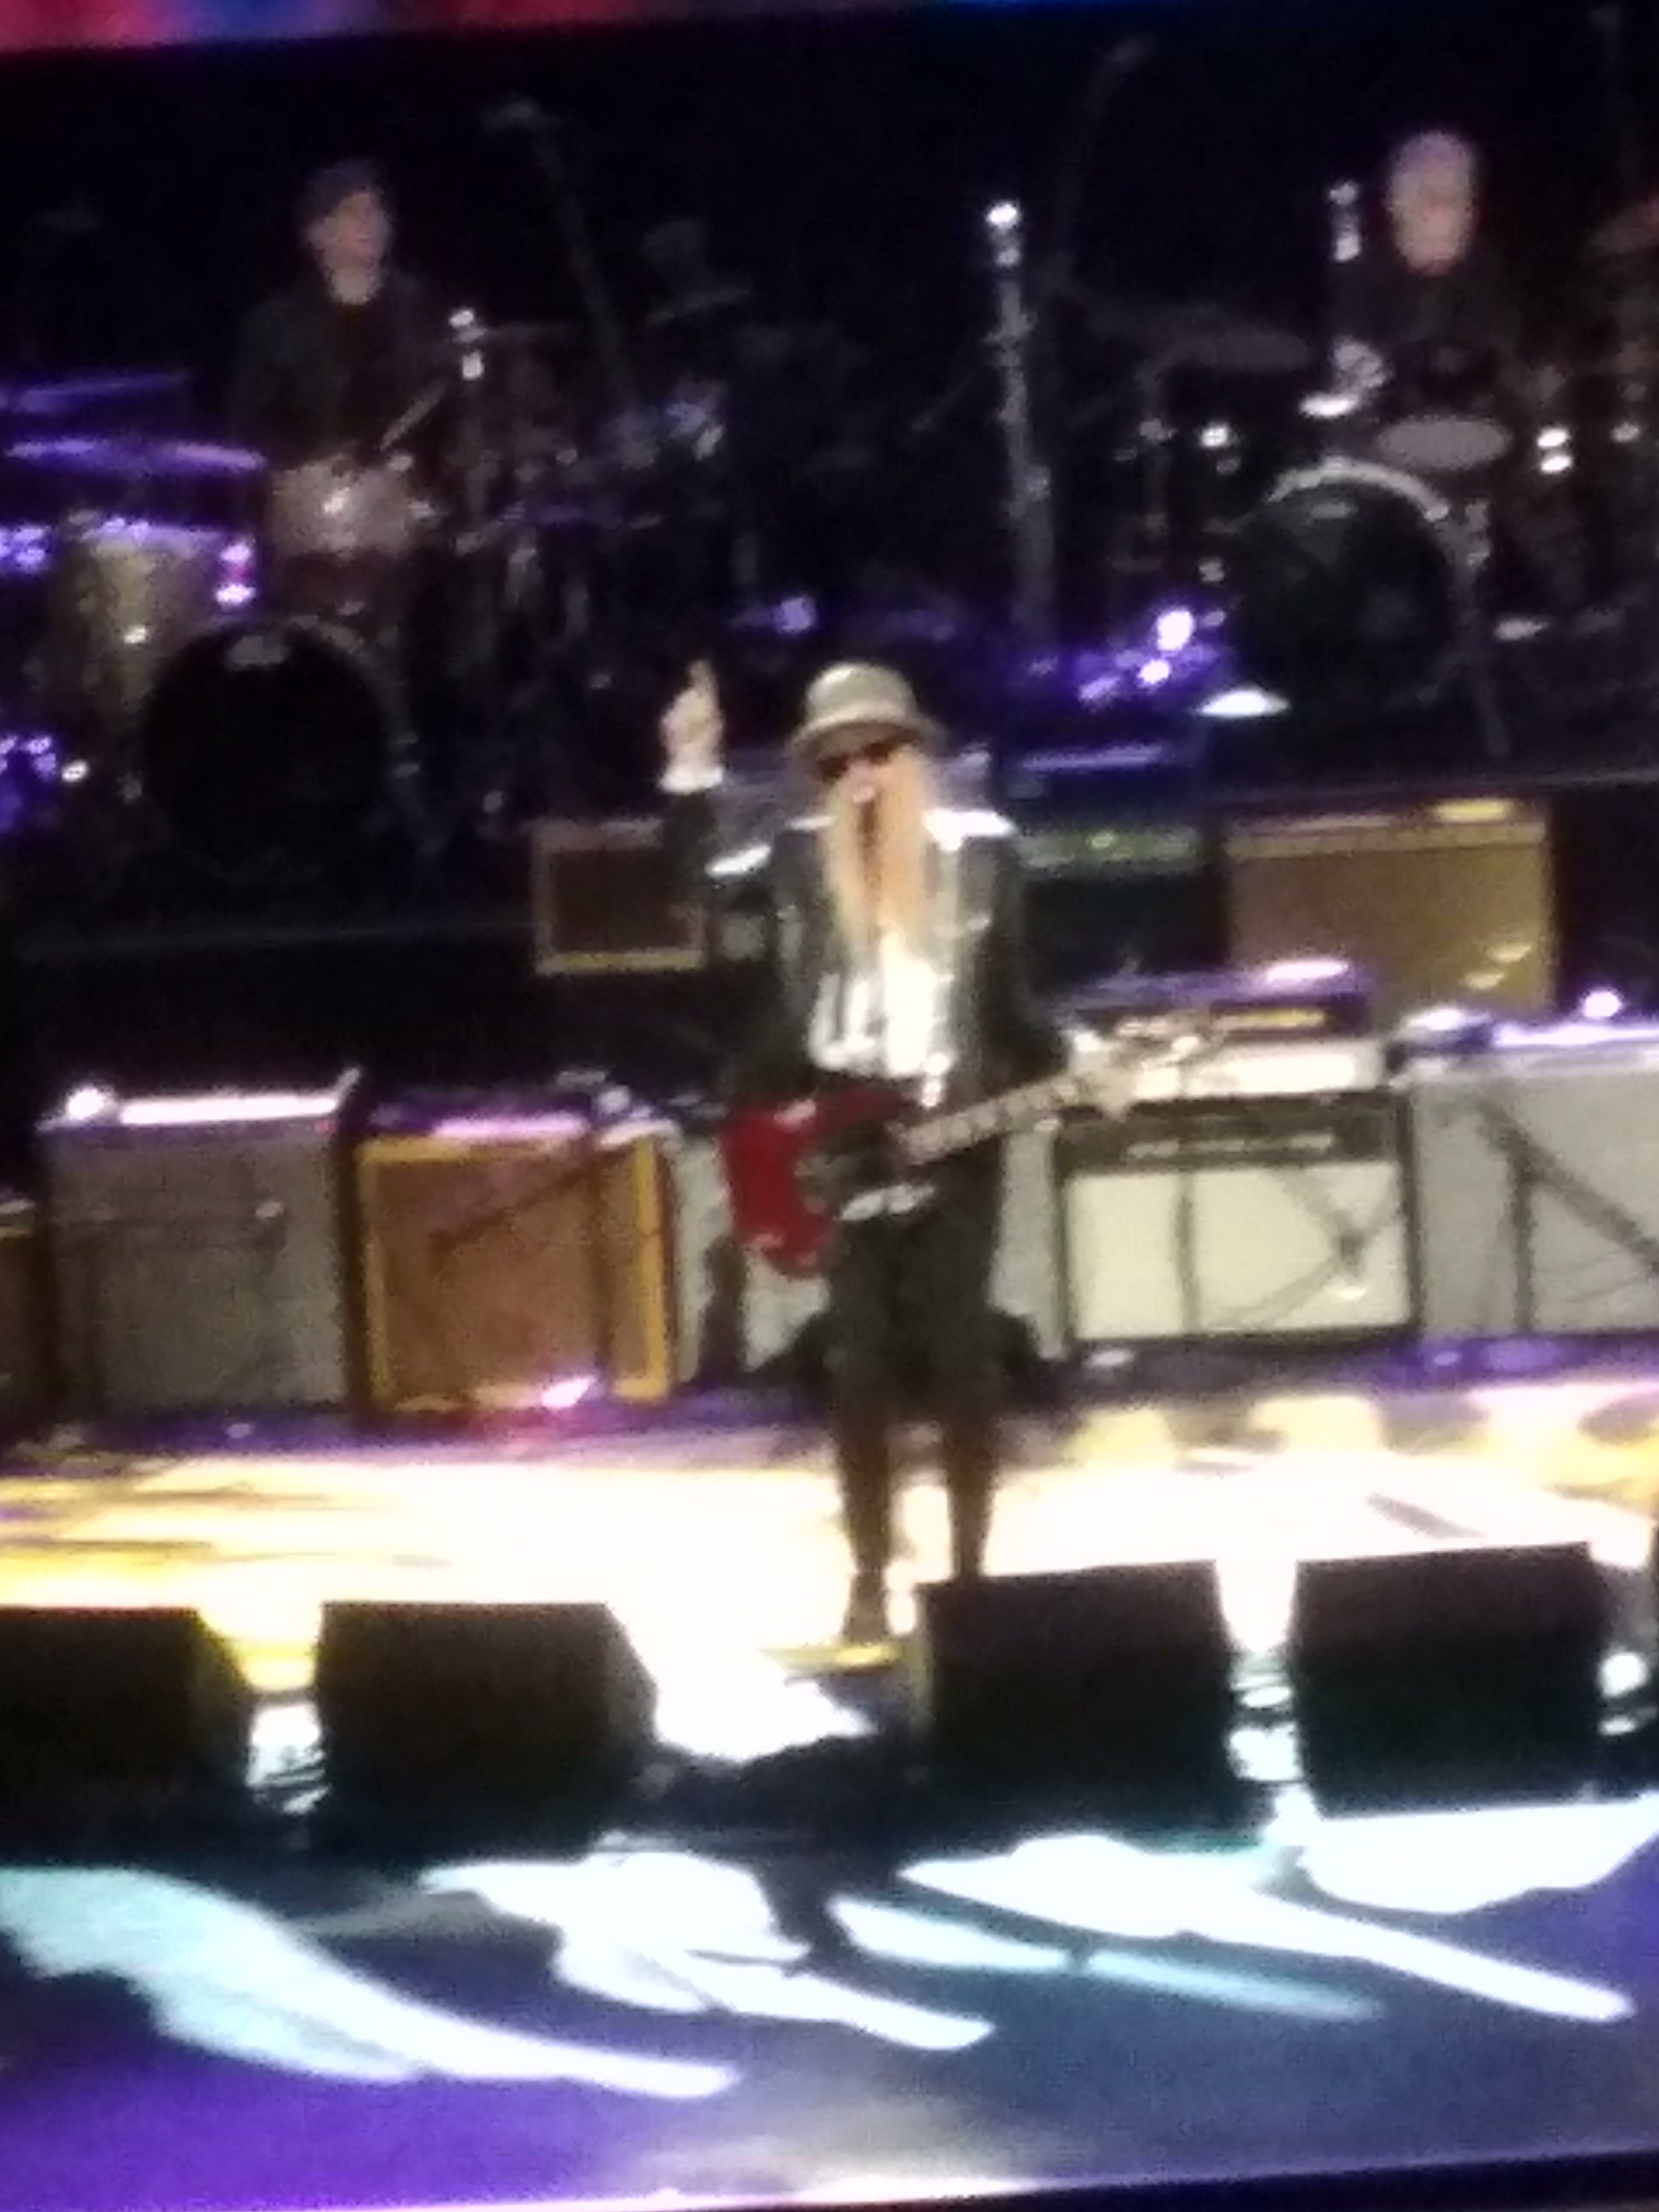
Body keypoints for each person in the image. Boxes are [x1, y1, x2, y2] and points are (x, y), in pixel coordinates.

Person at [660, 659, 1124, 1648]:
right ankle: (870, 1577)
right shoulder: (796, 855)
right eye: (836, 765)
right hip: (841, 1129)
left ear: (915, 752)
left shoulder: (985, 852)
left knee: (964, 1363)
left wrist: (1077, 1059)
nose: (861, 777)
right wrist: (692, 770)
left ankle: (970, 1582)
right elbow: (700, 885)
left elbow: (1014, 1002)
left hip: (955, 1128)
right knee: (860, 1368)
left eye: (877, 752)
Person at [228, 160, 438, 472]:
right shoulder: (276, 325)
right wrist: (301, 469)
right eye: (352, 212)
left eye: (376, 210)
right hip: (315, 490)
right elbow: (250, 428)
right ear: (317, 233)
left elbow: (451, 407)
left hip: (413, 487)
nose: (370, 222)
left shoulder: (422, 308)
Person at [1333, 132, 1527, 446]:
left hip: (1485, 449)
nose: (1441, 209)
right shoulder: (1356, 282)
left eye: (1455, 194)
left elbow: (1519, 371)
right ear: (1393, 204)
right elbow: (1337, 374)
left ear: (1473, 210)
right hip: (1375, 453)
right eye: (1426, 194)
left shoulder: (1501, 277)